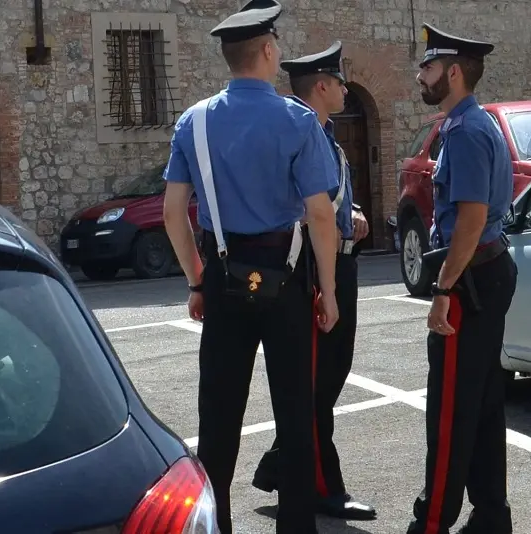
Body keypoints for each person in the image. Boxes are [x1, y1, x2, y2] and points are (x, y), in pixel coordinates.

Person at [161, 0, 341, 532]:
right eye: (277, 45)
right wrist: (328, 292)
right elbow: (321, 215)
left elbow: (174, 212)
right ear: (266, 50)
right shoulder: (297, 120)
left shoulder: (193, 122)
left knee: (218, 420)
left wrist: (197, 279)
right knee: (294, 412)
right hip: (285, 278)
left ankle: (215, 526)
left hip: (222, 273)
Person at [250, 40, 377, 521]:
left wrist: (354, 213)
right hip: (315, 267)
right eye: (340, 81)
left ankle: (284, 465)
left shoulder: (324, 135)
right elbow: (301, 208)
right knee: (319, 382)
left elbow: (327, 200)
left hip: (338, 260)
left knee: (327, 377)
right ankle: (319, 484)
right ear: (321, 86)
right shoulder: (304, 134)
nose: (346, 88)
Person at [405, 23, 518, 534]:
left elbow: (470, 219)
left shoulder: (468, 131)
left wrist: (443, 291)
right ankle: (491, 516)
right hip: (485, 273)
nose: (419, 76)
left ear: (452, 72)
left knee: (450, 410)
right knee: (483, 404)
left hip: (470, 281)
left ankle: (434, 521)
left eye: (427, 68)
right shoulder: (466, 125)